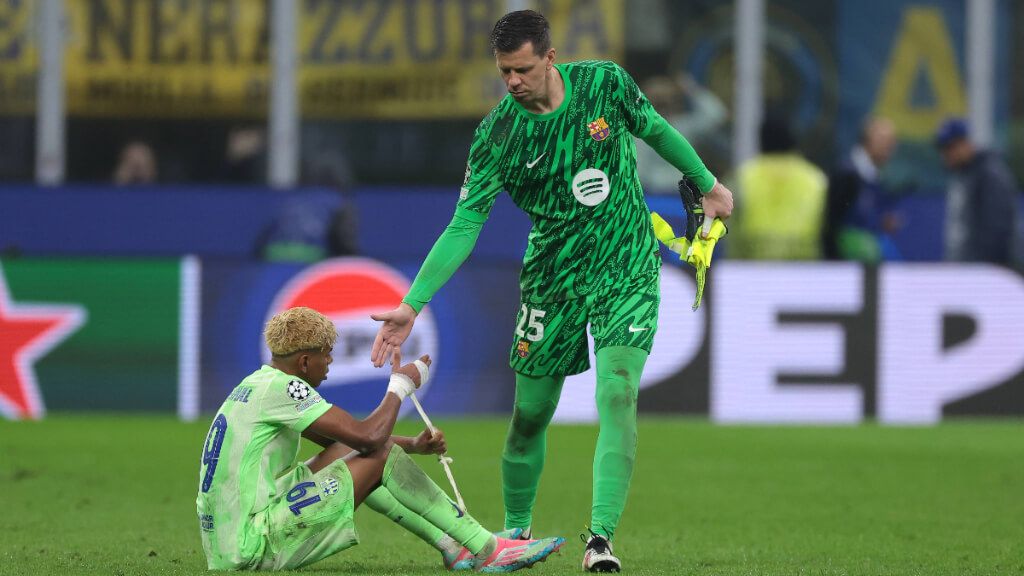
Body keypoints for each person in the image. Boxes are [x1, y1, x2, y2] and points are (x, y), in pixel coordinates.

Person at [368, 10, 733, 572]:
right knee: (531, 416)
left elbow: (654, 127)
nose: (512, 82)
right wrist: (411, 304)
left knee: (618, 391)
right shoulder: (497, 135)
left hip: (625, 265)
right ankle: (514, 533)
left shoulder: (605, 84)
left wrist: (708, 184)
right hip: (552, 279)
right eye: (504, 72)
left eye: (522, 69)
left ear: (550, 58)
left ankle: (600, 541)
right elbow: (466, 224)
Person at [196, 306, 564, 572]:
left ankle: (454, 545)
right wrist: (400, 385)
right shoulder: (288, 389)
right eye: (326, 356)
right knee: (376, 453)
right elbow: (371, 440)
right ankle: (486, 548)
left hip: (229, 543)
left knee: (357, 454)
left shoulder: (259, 384)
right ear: (305, 362)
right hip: (252, 545)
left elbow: (349, 442)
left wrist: (414, 446)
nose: (330, 365)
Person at [728, 113, 827, 260]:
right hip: (803, 267)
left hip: (753, 266)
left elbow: (730, 228)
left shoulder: (743, 176)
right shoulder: (816, 179)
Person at [935, 117, 1022, 266]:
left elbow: (997, 229)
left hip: (987, 272)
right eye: (944, 149)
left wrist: (982, 269)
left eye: (950, 148)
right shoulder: (965, 175)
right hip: (970, 270)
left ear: (965, 144)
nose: (946, 155)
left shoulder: (990, 175)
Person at [822, 117, 901, 261]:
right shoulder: (846, 175)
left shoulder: (873, 176)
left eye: (892, 141)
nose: (889, 146)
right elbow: (831, 224)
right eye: (883, 139)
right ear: (866, 140)